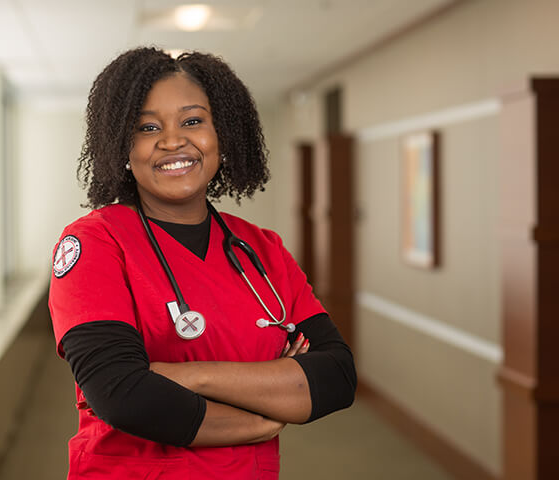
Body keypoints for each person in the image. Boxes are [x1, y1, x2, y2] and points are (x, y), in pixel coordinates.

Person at [49, 47, 356, 480]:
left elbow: (336, 377)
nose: (173, 141)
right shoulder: (96, 243)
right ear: (122, 144)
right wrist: (261, 413)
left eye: (192, 121)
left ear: (222, 134)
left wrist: (188, 377)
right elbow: (123, 394)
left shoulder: (262, 249)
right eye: (147, 127)